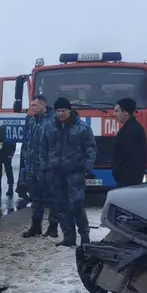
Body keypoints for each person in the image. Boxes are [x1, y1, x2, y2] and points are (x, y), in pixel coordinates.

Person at [42, 97, 97, 247]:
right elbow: (43, 149)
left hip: (75, 172)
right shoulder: (49, 127)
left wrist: (87, 166)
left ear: (70, 110)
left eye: (63, 110)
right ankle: (68, 237)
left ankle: (85, 236)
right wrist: (45, 167)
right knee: (61, 206)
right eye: (58, 111)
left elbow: (90, 148)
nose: (60, 114)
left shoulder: (82, 128)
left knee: (76, 204)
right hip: (55, 172)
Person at [20, 95, 58, 238]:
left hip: (47, 167)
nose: (32, 107)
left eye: (35, 105)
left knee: (52, 198)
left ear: (43, 105)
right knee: (36, 198)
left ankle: (53, 227)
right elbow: (26, 141)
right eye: (31, 105)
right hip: (32, 166)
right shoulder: (31, 121)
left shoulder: (53, 121)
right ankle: (35, 227)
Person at [111, 98, 147, 188]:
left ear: (126, 112)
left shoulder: (130, 131)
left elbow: (128, 158)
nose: (114, 114)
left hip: (128, 181)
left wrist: (118, 172)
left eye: (117, 111)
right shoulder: (132, 128)